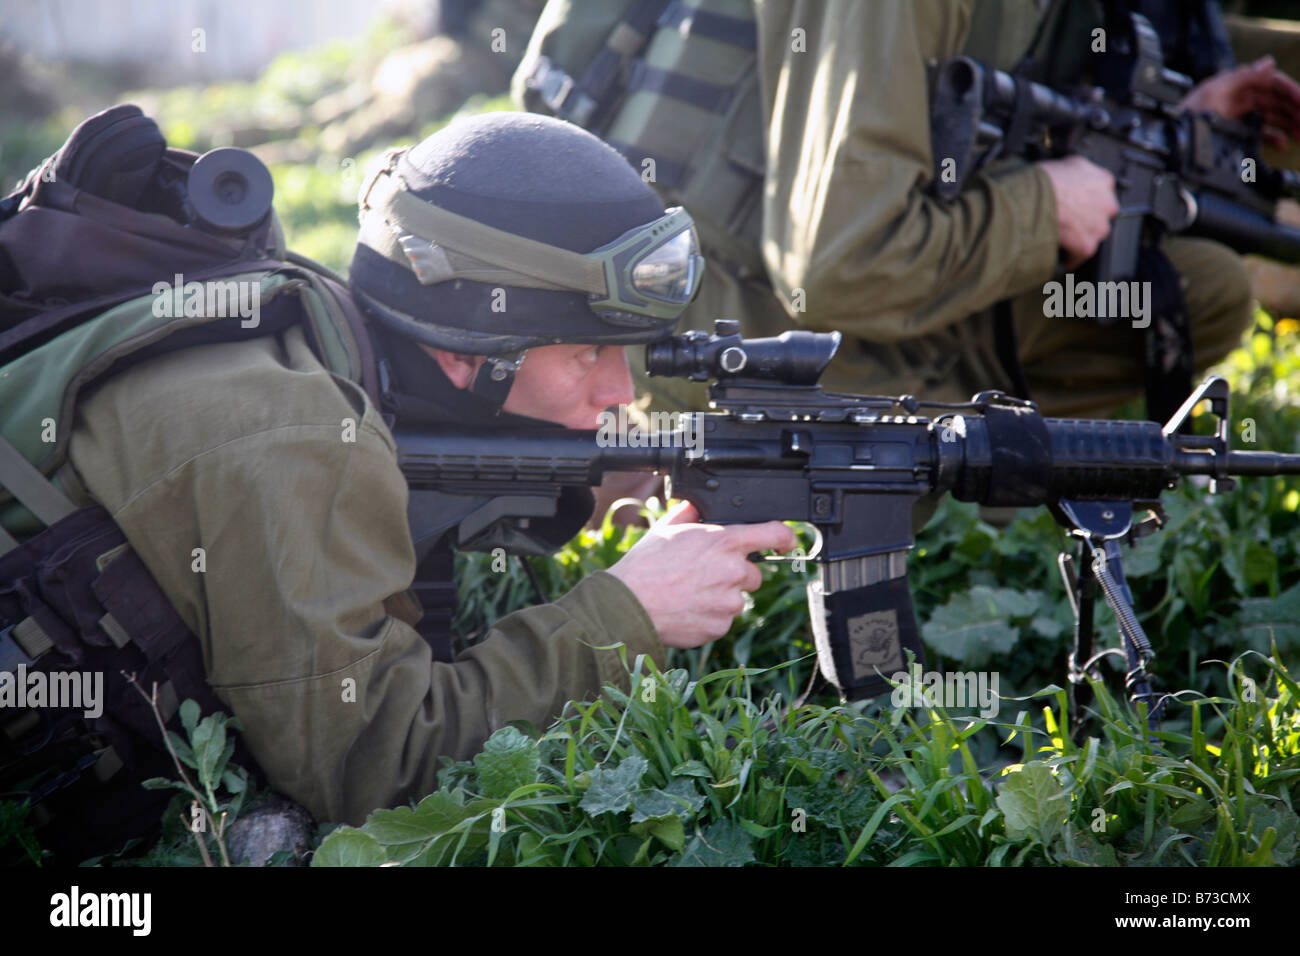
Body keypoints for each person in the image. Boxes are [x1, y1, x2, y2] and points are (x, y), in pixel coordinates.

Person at [51, 111, 796, 827]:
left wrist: (687, 467)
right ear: (466, 356)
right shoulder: (297, 443)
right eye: (586, 354)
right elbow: (377, 769)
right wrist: (628, 611)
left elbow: (499, 451)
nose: (619, 393)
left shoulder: (345, 353)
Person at [515, 0, 1300, 421]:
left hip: (759, 259)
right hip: (695, 311)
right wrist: (1042, 206)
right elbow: (838, 267)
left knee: (1199, 290)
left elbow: (988, 91)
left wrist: (1177, 122)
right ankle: (679, 449)